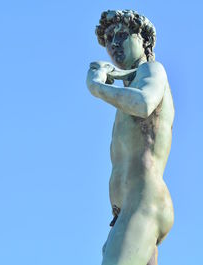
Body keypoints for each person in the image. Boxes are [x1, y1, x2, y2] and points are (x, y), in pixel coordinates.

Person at [86, 10, 174, 265]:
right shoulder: (130, 85)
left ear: (143, 41)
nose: (114, 43)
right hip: (128, 211)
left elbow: (144, 103)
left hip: (143, 201)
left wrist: (98, 87)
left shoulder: (152, 70)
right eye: (109, 38)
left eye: (122, 35)